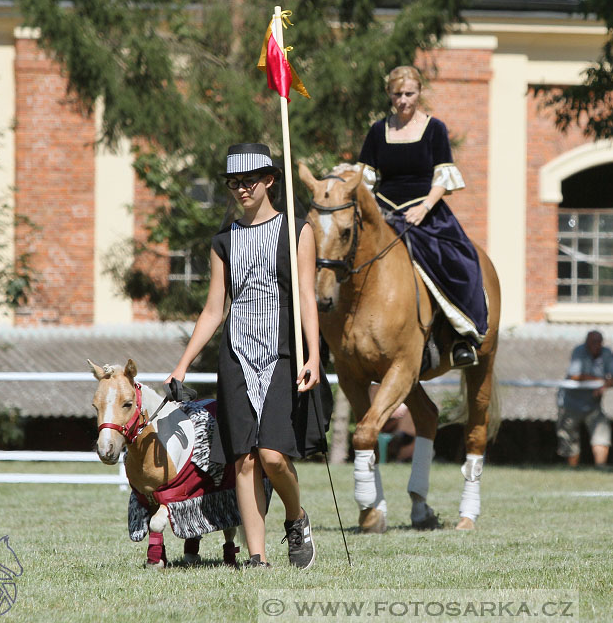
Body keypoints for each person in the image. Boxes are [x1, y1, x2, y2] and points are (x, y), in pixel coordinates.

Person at [166, 143, 323, 569]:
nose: (241, 189)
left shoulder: (298, 231)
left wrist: (314, 354)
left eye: (248, 181)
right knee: (244, 461)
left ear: (269, 180)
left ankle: (297, 517)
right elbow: (215, 309)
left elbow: (308, 297)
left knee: (272, 455)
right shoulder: (223, 241)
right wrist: (182, 364)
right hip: (236, 352)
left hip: (283, 352)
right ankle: (258, 557)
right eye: (234, 183)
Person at [357, 65, 487, 368]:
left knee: (460, 261)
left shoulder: (435, 129)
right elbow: (365, 179)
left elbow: (442, 177)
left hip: (425, 212)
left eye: (409, 94)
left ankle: (460, 337)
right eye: (397, 94)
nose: (403, 100)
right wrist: (372, 211)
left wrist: (425, 207)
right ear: (389, 94)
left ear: (419, 94)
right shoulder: (378, 131)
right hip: (383, 212)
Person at [557, 331, 613, 467]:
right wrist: (600, 380)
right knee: (569, 438)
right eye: (592, 342)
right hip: (571, 403)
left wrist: (604, 386)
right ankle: (572, 469)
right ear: (586, 342)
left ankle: (601, 468)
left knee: (601, 436)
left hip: (593, 405)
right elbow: (575, 375)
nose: (595, 345)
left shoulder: (607, 353)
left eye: (598, 342)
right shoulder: (579, 352)